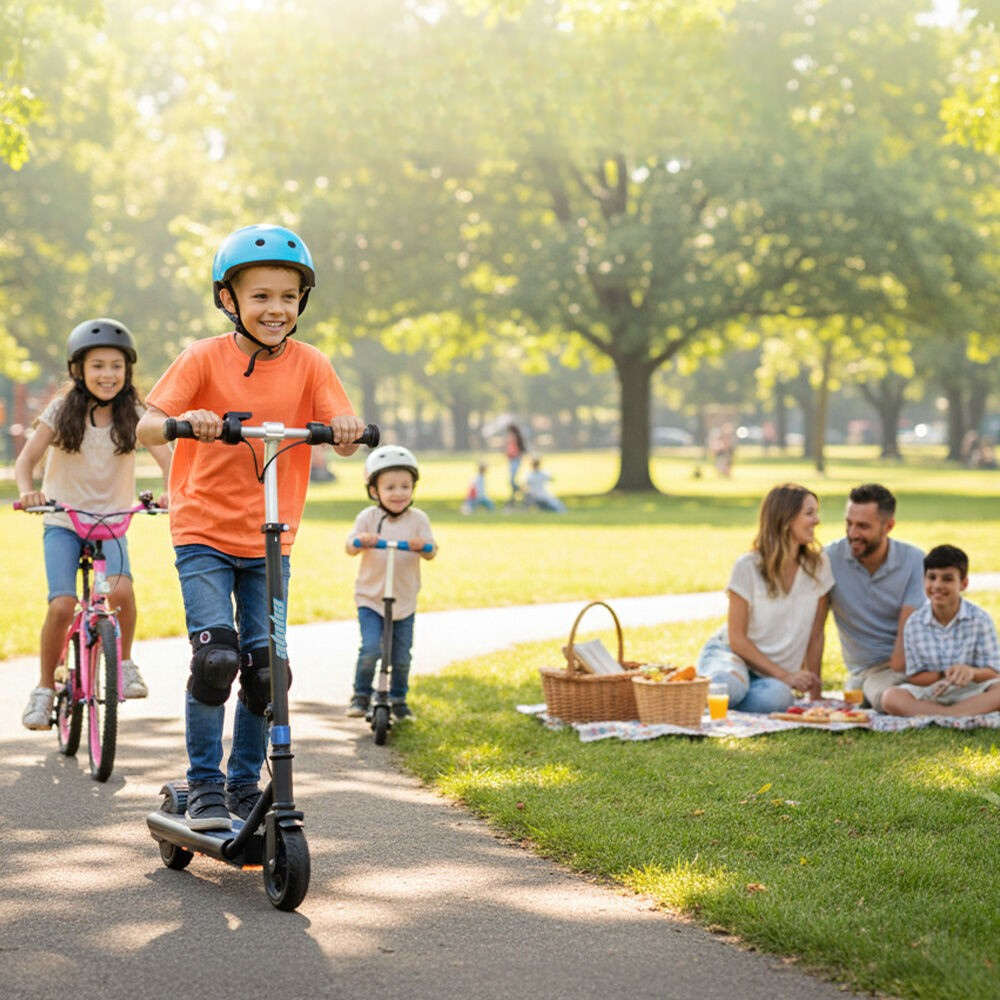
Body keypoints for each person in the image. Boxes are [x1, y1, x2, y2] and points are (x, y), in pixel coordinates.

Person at [136, 224, 365, 831]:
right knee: (217, 660)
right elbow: (147, 426)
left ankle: (242, 785)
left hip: (272, 535)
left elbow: (344, 429)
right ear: (228, 300)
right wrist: (189, 419)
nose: (275, 309)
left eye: (288, 297)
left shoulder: (312, 363)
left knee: (269, 673)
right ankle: (205, 784)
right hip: (204, 531)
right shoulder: (202, 357)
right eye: (260, 296)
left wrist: (344, 429)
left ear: (302, 303)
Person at [16, 318, 172, 730]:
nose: (108, 374)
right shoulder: (60, 409)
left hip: (113, 522)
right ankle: (45, 688)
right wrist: (28, 490)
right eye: (98, 365)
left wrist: (171, 490)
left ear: (128, 370)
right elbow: (26, 460)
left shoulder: (135, 414)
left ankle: (124, 663)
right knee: (63, 605)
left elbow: (169, 459)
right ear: (79, 370)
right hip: (64, 521)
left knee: (122, 591)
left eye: (116, 366)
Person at [696, 483, 832, 713]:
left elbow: (816, 634)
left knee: (778, 700)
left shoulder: (818, 566)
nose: (817, 520)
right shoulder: (747, 566)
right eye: (809, 513)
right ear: (786, 518)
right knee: (729, 687)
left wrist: (814, 692)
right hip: (732, 656)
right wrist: (785, 675)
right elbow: (736, 638)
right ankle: (710, 695)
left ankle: (714, 704)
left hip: (770, 677)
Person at [345, 445, 437, 720]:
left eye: (405, 486)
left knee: (401, 656)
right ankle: (361, 694)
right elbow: (350, 545)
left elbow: (432, 551)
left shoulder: (418, 520)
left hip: (404, 600)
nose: (398, 493)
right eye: (390, 487)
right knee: (371, 648)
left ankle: (398, 698)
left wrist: (424, 546)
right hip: (371, 599)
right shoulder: (368, 518)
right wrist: (363, 540)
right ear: (374, 491)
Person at [825, 483, 925, 712]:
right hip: (870, 671)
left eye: (863, 526)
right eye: (848, 523)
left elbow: (908, 628)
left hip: (913, 661)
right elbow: (815, 626)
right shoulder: (829, 560)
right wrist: (813, 692)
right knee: (879, 694)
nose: (852, 533)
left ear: (888, 526)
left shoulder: (914, 560)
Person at [882, 545, 1000, 717]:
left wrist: (971, 672)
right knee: (890, 697)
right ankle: (954, 714)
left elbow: (994, 672)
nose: (937, 585)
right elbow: (915, 677)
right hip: (932, 694)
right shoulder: (915, 623)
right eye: (932, 577)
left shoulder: (980, 619)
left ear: (964, 584)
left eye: (947, 579)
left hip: (972, 692)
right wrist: (942, 674)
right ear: (924, 580)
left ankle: (943, 714)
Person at [504, 422, 526, 503]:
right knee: (511, 480)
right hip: (511, 460)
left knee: (512, 480)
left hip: (515, 459)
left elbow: (518, 449)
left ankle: (522, 493)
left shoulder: (515, 438)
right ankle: (512, 498)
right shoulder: (511, 437)